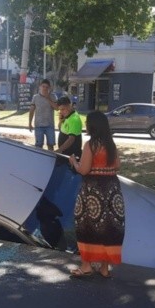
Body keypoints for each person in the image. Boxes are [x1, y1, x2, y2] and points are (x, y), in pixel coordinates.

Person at [68, 111, 124, 279]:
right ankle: (104, 268)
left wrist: (74, 162)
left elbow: (84, 170)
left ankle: (86, 266)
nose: (85, 125)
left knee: (86, 225)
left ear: (92, 126)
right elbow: (117, 166)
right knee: (108, 227)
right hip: (112, 190)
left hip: (93, 191)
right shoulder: (110, 144)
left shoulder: (91, 145)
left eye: (87, 123)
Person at [29, 79, 58, 150]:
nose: (45, 88)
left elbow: (57, 108)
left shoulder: (53, 96)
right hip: (38, 125)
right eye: (43, 86)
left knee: (51, 145)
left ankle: (50, 157)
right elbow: (31, 111)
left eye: (47, 87)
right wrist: (29, 123)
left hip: (50, 125)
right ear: (40, 87)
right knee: (38, 146)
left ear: (49, 88)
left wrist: (48, 98)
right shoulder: (35, 97)